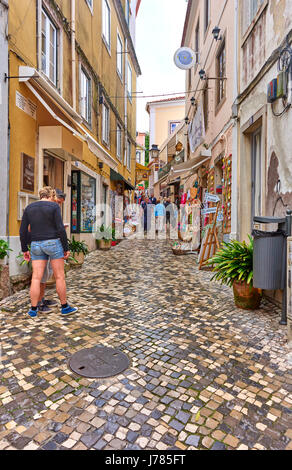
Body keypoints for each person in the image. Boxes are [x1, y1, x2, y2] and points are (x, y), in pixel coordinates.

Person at [20, 187, 78, 318]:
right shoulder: (54, 207)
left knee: (36, 277)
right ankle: (65, 307)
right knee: (59, 276)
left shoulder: (29, 208)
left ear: (40, 195)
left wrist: (24, 249)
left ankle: (33, 310)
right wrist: (66, 247)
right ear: (51, 195)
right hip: (53, 243)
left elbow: (22, 231)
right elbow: (60, 229)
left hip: (35, 244)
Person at [37, 189, 67, 313]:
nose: (59, 205)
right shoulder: (47, 208)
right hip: (43, 244)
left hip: (49, 243)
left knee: (46, 274)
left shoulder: (51, 209)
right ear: (52, 197)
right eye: (58, 202)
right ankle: (38, 303)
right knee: (42, 275)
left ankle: (42, 299)